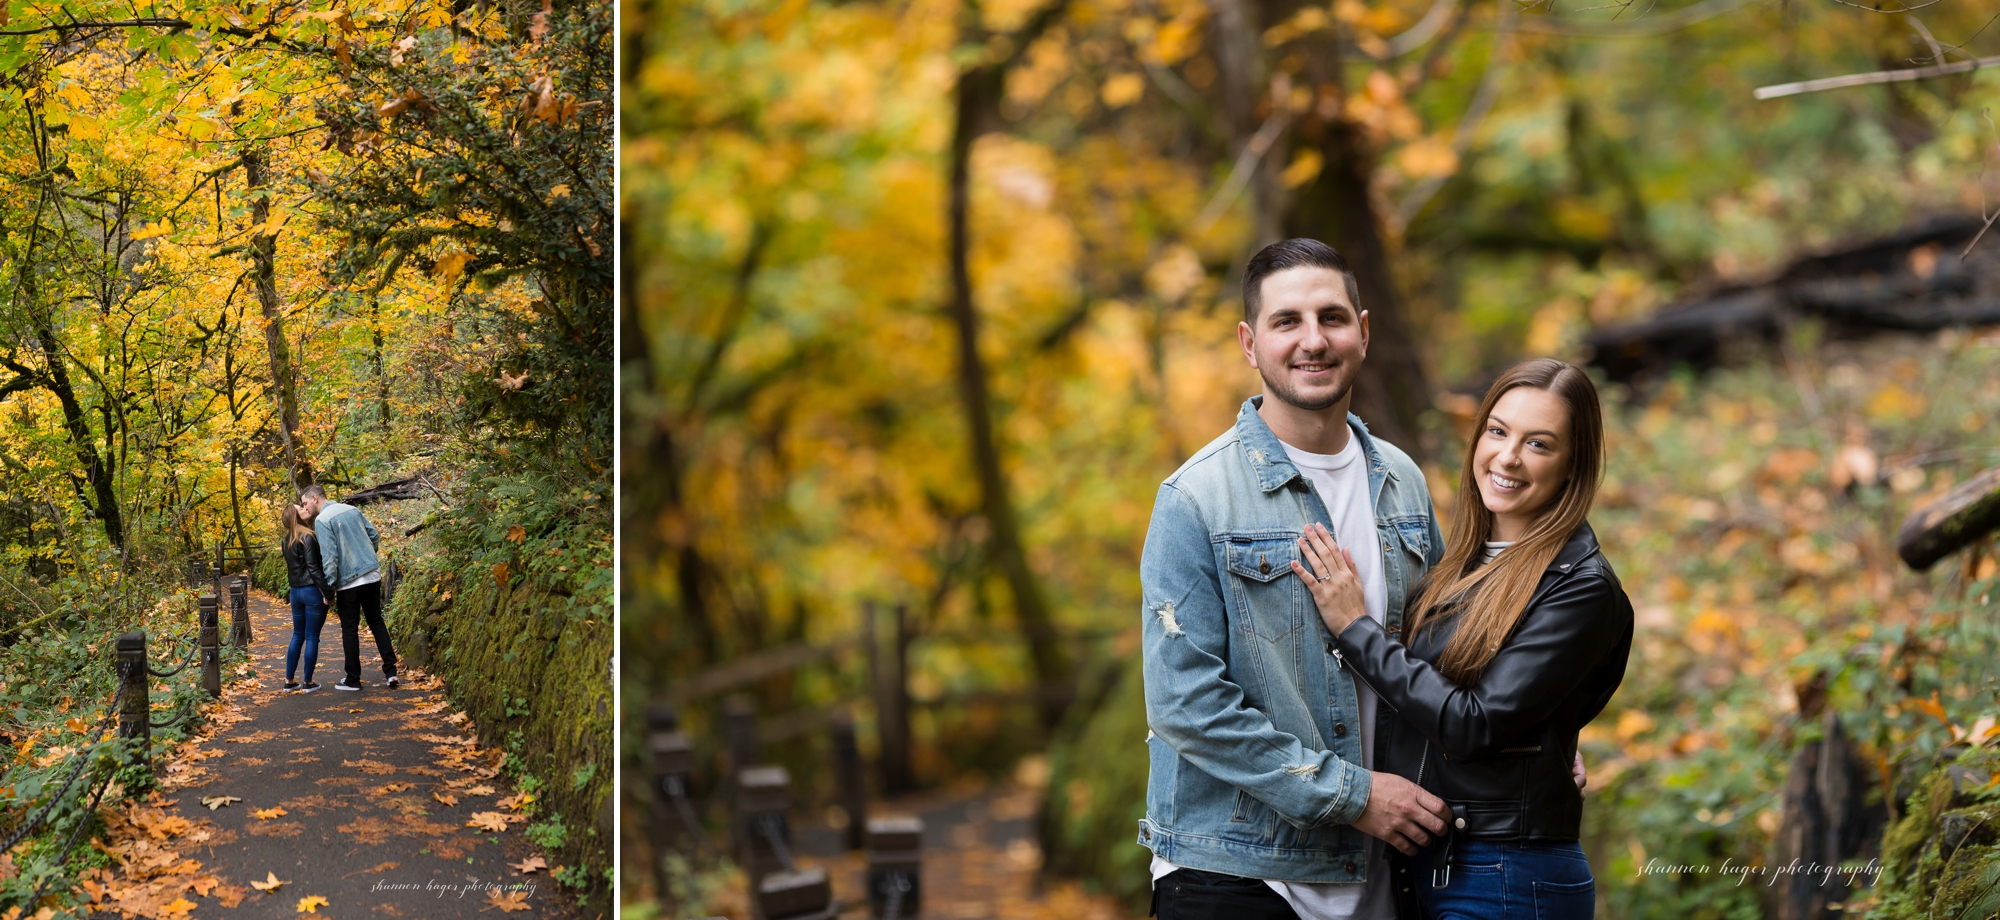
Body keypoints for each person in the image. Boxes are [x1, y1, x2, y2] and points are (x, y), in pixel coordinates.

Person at [1138, 238, 1452, 920]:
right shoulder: (1197, 497)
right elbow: (1185, 704)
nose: (1314, 340)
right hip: (1233, 869)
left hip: (1385, 873)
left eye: (1332, 318)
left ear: (1363, 333)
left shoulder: (1403, 483)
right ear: (1251, 344)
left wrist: (1537, 743)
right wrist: (1352, 795)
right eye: (1288, 322)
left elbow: (1447, 653)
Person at [1297, 358, 1633, 920]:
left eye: (1540, 444)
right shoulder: (1462, 563)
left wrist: (1357, 629)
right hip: (1438, 863)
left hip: (1507, 873)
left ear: (1573, 465)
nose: (1508, 457)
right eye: (1498, 431)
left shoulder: (1581, 587)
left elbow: (1474, 722)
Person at [300, 484, 400, 692]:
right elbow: (373, 535)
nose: (305, 507)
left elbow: (330, 558)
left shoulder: (322, 520)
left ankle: (353, 679)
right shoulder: (352, 510)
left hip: (348, 582)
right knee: (377, 622)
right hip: (371, 575)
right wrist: (366, 556)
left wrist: (330, 588)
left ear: (315, 498)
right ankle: (391, 672)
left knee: (350, 630)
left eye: (305, 503)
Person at [280, 503, 332, 693]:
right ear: (296, 516)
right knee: (312, 637)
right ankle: (308, 682)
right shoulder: (308, 537)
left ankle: (289, 681)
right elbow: (314, 569)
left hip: (295, 593)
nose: (305, 509)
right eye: (300, 508)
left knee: (297, 635)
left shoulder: (286, 541)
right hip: (311, 592)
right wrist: (327, 592)